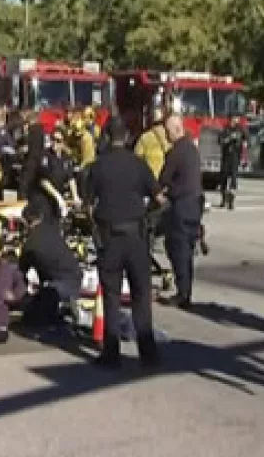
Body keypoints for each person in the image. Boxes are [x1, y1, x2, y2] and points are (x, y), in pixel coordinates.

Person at [87, 117, 165, 367]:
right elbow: (160, 199)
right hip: (137, 237)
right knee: (141, 293)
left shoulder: (98, 167)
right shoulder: (138, 165)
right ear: (128, 137)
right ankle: (148, 353)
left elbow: (88, 204)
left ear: (107, 137)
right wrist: (148, 217)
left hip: (109, 238)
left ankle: (111, 353)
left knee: (111, 295)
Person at [159, 115, 203, 309]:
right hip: (195, 205)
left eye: (167, 131)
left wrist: (157, 192)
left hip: (181, 206)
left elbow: (163, 179)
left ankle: (183, 294)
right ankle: (186, 291)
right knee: (187, 249)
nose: (166, 135)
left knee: (178, 248)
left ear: (177, 130)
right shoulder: (192, 149)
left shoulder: (176, 152)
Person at [19, 204, 82, 313]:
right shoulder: (53, 231)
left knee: (31, 310)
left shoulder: (30, 244)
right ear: (41, 216)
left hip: (57, 287)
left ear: (25, 222)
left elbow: (21, 273)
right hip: (76, 279)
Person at [30, 126, 80, 225]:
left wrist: (75, 196)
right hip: (44, 197)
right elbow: (43, 180)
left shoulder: (66, 158)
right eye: (53, 139)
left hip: (57, 198)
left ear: (63, 143)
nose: (54, 143)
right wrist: (58, 197)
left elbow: (71, 178)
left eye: (58, 140)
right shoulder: (45, 155)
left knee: (58, 223)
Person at [218, 114, 248, 210]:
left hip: (235, 157)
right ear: (231, 119)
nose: (237, 119)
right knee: (224, 178)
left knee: (234, 179)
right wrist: (229, 138)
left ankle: (231, 201)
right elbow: (220, 141)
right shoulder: (225, 129)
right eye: (236, 118)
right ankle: (223, 199)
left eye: (238, 118)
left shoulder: (241, 129)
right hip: (226, 156)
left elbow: (246, 141)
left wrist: (245, 157)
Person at [133, 107, 170, 179]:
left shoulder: (145, 137)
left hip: (150, 180)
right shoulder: (170, 137)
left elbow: (136, 160)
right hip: (166, 179)